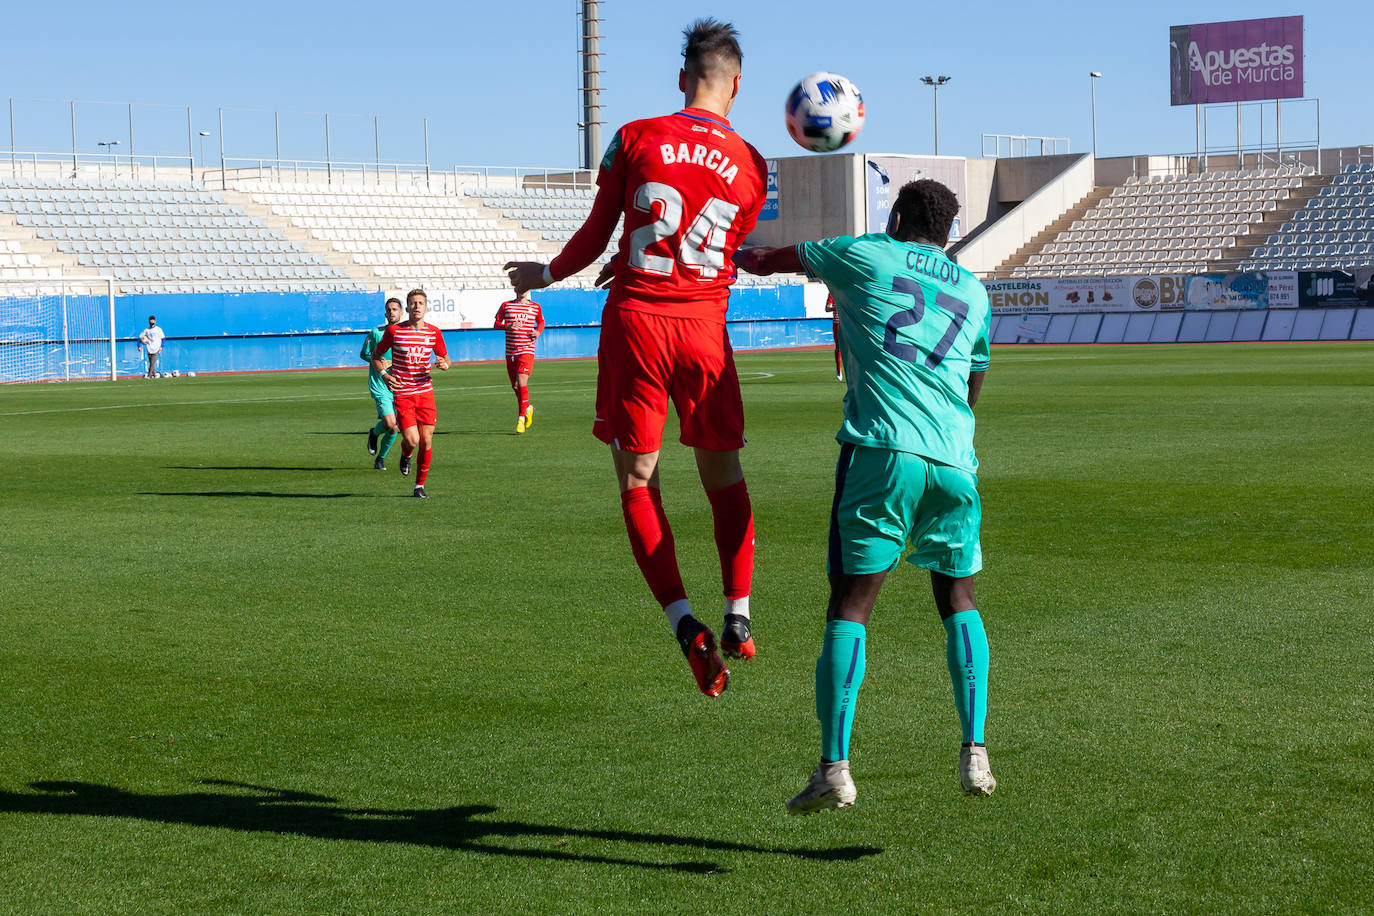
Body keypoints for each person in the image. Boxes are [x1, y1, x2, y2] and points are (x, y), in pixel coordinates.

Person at [503, 18, 767, 697]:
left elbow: (599, 231)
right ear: (736, 85)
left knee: (638, 481)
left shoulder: (636, 136)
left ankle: (686, 623)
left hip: (638, 322)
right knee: (724, 474)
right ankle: (739, 613)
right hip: (705, 328)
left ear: (683, 79)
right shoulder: (752, 162)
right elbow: (723, 244)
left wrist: (547, 273)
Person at [734, 178, 996, 811]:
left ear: (898, 214)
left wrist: (734, 253)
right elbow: (976, 375)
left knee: (851, 605)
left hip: (882, 450)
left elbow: (772, 260)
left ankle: (833, 768)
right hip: (956, 460)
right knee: (957, 596)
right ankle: (975, 753)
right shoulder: (972, 288)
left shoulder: (865, 253)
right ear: (949, 233)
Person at [370, 289, 450, 499]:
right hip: (403, 392)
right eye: (413, 303)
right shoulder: (395, 332)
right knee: (412, 440)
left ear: (426, 307)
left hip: (425, 392)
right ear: (407, 308)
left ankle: (419, 486)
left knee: (427, 440)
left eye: (420, 303)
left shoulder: (434, 332)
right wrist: (385, 376)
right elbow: (375, 356)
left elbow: (445, 358)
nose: (416, 306)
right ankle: (406, 454)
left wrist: (444, 364)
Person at [493, 290, 545, 433]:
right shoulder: (506, 306)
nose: (523, 290)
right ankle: (528, 408)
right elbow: (496, 324)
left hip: (527, 349)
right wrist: (507, 326)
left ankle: (521, 418)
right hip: (511, 351)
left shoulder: (535, 306)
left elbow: (541, 321)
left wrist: (538, 332)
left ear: (529, 290)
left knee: (522, 381)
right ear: (516, 289)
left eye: (526, 288)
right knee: (515, 385)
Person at [362, 297, 404, 470]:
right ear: (385, 313)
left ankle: (380, 458)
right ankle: (375, 432)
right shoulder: (376, 332)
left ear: (401, 312)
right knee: (389, 423)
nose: (392, 312)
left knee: (395, 428)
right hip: (381, 384)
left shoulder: (406, 334)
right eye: (389, 309)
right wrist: (378, 361)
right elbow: (365, 354)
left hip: (402, 385)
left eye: (395, 309)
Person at [824, 294, 842, 381]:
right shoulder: (832, 293)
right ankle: (838, 369)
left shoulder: (848, 291)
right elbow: (827, 309)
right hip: (837, 323)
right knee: (838, 347)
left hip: (847, 322)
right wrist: (836, 308)